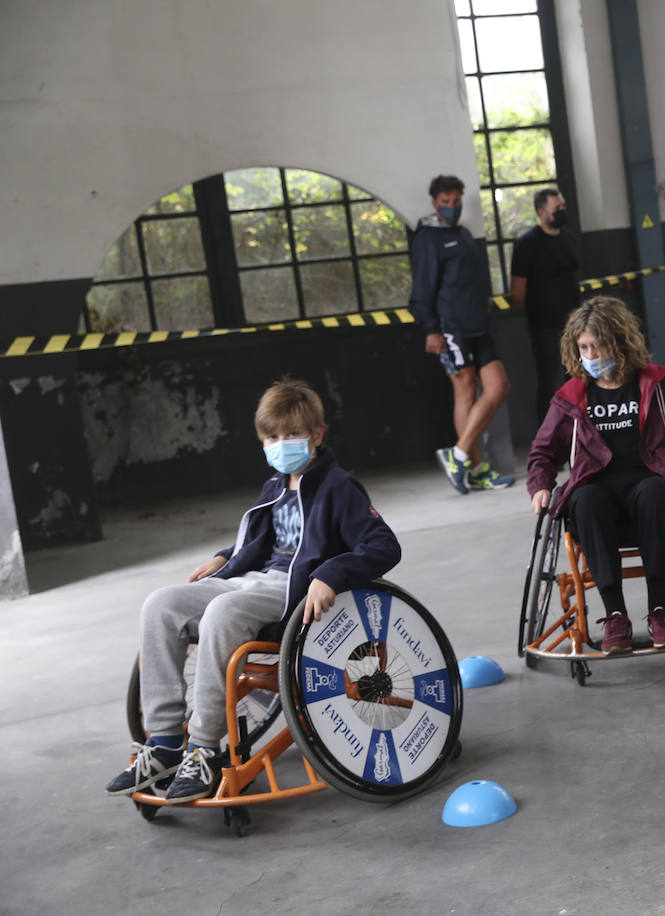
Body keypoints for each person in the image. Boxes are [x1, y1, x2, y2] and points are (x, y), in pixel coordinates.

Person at [105, 379, 401, 803]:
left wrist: (332, 574)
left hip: (295, 591)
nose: (282, 444)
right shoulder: (276, 487)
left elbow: (382, 545)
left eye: (293, 434)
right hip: (252, 579)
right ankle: (166, 741)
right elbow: (260, 545)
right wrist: (224, 558)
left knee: (223, 612)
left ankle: (204, 747)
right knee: (161, 604)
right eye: (273, 437)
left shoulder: (339, 487)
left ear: (317, 435)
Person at [526, 297, 665, 655]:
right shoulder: (570, 398)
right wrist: (540, 486)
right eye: (584, 347)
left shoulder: (655, 385)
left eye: (598, 347)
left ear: (619, 343)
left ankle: (660, 609)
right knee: (584, 498)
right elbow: (542, 452)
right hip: (598, 495)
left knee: (656, 491)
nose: (591, 354)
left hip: (648, 488)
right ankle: (615, 614)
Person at [409, 174, 515, 493]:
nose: (452, 208)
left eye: (456, 202)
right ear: (434, 203)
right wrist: (432, 330)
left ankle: (457, 455)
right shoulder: (428, 238)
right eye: (446, 203)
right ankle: (478, 468)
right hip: (451, 328)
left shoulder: (464, 234)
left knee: (499, 387)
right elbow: (422, 291)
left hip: (479, 325)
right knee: (466, 391)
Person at [510, 187, 581, 421]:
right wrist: (537, 313)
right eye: (556, 209)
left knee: (578, 380)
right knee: (550, 382)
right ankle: (548, 439)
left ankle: (579, 436)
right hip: (545, 327)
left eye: (563, 207)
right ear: (541, 212)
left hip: (576, 326)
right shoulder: (527, 244)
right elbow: (518, 291)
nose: (561, 212)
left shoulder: (569, 239)